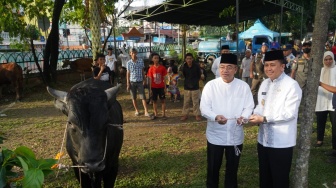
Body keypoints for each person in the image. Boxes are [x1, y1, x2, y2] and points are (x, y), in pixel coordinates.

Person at [249, 50, 302, 188]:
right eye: (266, 65)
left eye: (272, 65)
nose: (268, 69)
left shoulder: (291, 85)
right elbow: (260, 106)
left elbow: (289, 113)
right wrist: (254, 115)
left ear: (282, 66)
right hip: (263, 140)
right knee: (264, 177)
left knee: (280, 179)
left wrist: (264, 119)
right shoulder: (265, 83)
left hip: (282, 143)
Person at [200, 53, 254, 188]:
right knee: (213, 168)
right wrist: (215, 117)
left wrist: (244, 117)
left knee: (232, 169)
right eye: (222, 67)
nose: (225, 71)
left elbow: (249, 106)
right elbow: (204, 108)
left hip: (235, 136)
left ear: (235, 69)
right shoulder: (211, 86)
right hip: (215, 136)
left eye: (229, 67)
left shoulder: (243, 86)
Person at [315, 51, 336, 150]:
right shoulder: (320, 70)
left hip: (333, 101)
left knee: (335, 124)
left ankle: (334, 146)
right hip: (321, 99)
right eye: (326, 59)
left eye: (330, 59)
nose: (328, 61)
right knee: (320, 121)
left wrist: (321, 84)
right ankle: (319, 139)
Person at [126, 48, 153, 119]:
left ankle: (146, 111)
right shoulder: (128, 62)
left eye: (135, 52)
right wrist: (128, 83)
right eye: (132, 53)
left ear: (136, 53)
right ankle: (137, 110)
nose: (134, 54)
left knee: (143, 97)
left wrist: (144, 80)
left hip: (140, 81)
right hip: (132, 82)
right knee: (133, 97)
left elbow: (142, 71)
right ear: (130, 53)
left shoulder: (140, 61)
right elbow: (128, 73)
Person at [180, 53, 202, 121]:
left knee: (195, 102)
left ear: (192, 59)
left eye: (190, 58)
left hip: (195, 86)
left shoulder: (196, 66)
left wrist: (196, 81)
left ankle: (197, 114)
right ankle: (185, 114)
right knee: (186, 102)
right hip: (187, 86)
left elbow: (199, 75)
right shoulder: (184, 66)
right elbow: (183, 75)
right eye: (187, 59)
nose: (189, 60)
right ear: (185, 59)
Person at [147, 52, 168, 119]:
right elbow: (150, 79)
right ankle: (155, 114)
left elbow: (165, 78)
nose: (156, 59)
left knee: (163, 100)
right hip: (154, 87)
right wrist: (150, 89)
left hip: (161, 87)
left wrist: (165, 87)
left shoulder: (162, 68)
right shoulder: (151, 69)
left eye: (157, 58)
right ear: (152, 59)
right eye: (155, 58)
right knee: (154, 101)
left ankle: (164, 114)